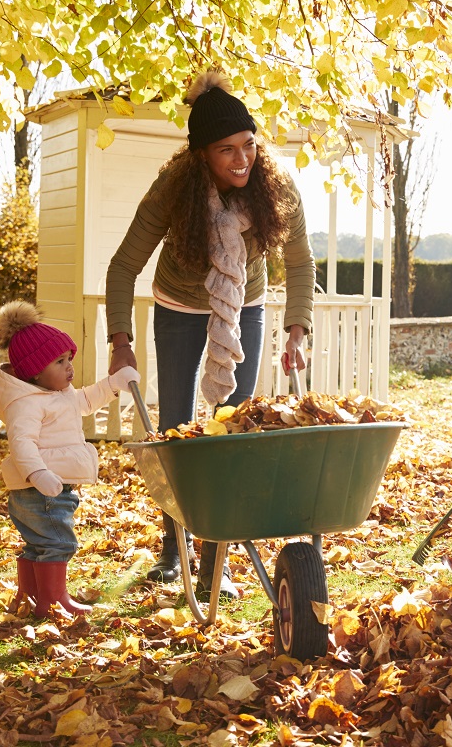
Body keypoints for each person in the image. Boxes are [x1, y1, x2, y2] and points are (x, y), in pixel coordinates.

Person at [106, 71, 315, 599]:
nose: (242, 159)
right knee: (176, 427)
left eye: (248, 145)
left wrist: (297, 330)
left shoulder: (276, 186)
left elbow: (299, 261)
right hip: (179, 306)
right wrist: (120, 341)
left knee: (234, 429)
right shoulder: (173, 192)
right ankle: (174, 549)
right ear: (202, 155)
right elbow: (122, 266)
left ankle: (216, 554)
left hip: (243, 305)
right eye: (227, 150)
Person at [0, 301, 141, 619]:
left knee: (39, 545)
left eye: (69, 359)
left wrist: (114, 384)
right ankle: (54, 599)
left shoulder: (57, 393)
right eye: (59, 362)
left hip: (50, 486)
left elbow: (85, 400)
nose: (69, 367)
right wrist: (37, 473)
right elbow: (21, 443)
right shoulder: (27, 404)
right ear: (34, 371)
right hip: (40, 490)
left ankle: (33, 597)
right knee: (59, 543)